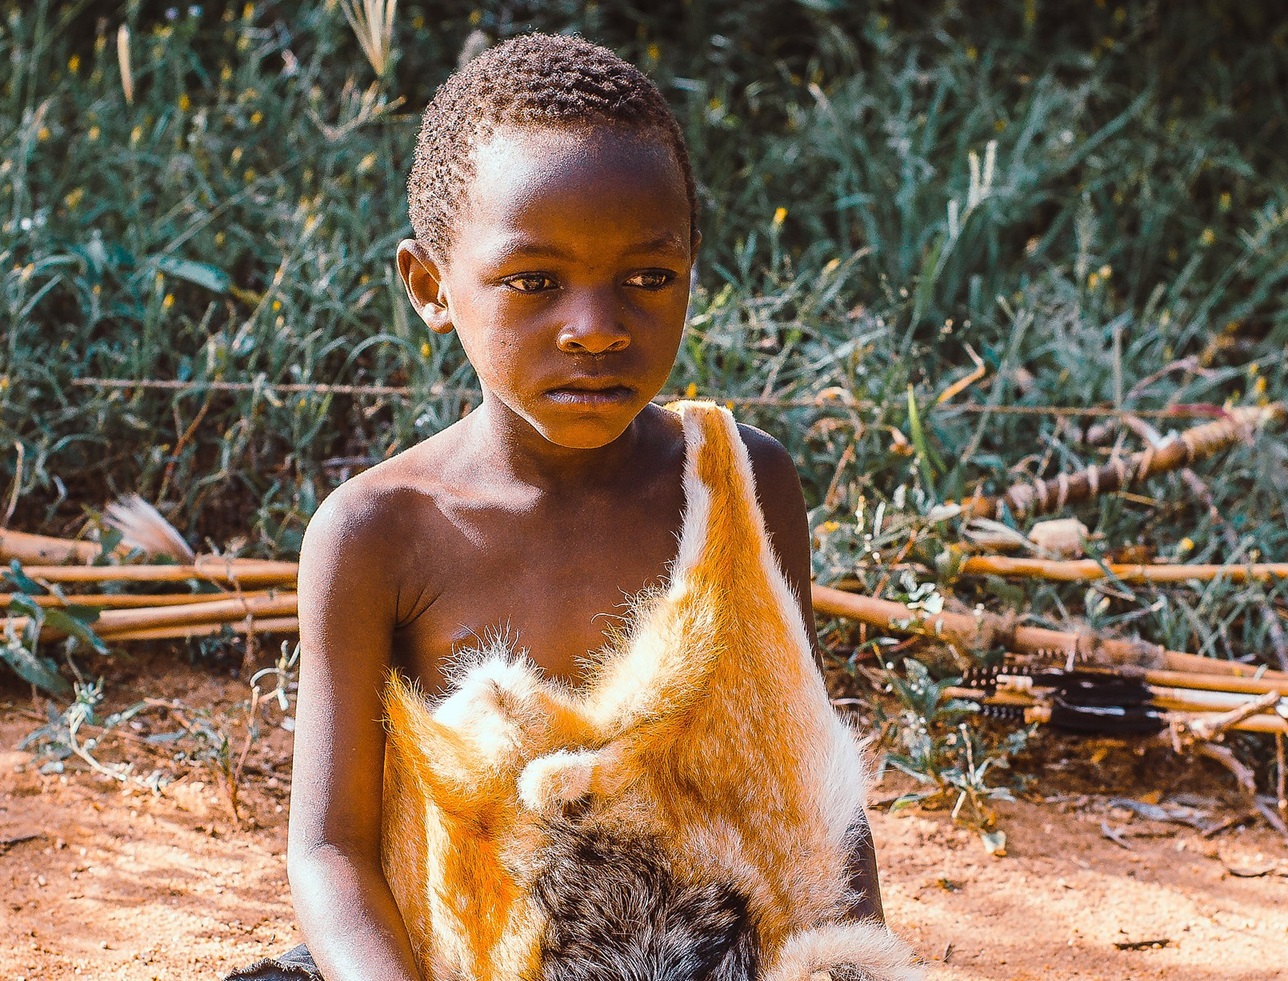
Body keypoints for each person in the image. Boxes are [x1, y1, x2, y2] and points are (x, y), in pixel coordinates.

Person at [227, 32, 883, 981]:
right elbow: (330, 850)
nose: (595, 326)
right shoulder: (378, 532)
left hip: (699, 955)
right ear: (430, 286)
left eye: (648, 278)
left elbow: (813, 786)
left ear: (693, 265)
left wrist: (857, 962)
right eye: (534, 281)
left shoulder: (738, 486)